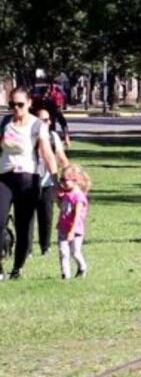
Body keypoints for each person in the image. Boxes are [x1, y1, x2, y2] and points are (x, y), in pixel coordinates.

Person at [0, 88, 60, 279]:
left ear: (29, 104)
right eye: (12, 105)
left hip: (28, 179)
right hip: (5, 177)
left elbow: (47, 153)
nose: (16, 108)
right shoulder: (5, 122)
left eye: (20, 104)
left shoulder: (37, 125)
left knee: (24, 225)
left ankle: (17, 267)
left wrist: (56, 180)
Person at [33, 108, 70, 256]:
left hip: (48, 182)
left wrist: (70, 174)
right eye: (43, 119)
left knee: (46, 216)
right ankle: (27, 248)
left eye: (48, 120)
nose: (47, 122)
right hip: (29, 180)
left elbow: (61, 158)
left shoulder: (53, 136)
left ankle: (45, 246)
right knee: (28, 217)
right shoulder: (29, 135)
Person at [57, 164, 90, 279]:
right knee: (63, 252)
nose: (62, 183)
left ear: (75, 180)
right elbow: (62, 208)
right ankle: (65, 274)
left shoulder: (79, 197)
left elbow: (77, 216)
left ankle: (82, 267)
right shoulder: (66, 194)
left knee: (75, 252)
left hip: (75, 229)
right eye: (61, 180)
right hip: (62, 227)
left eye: (64, 180)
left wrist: (72, 231)